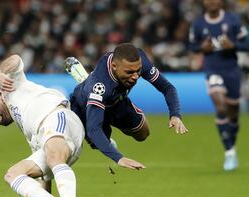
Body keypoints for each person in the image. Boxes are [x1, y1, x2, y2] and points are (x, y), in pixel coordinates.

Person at [0, 54, 85, 197]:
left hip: (57, 116)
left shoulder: (10, 89)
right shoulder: (28, 130)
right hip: (52, 137)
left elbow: (15, 59)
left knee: (53, 156)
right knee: (12, 174)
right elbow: (46, 176)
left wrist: (0, 73)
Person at [65, 43, 188, 168]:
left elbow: (168, 88)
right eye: (129, 72)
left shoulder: (139, 61)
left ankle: (86, 81)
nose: (135, 77)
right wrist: (119, 158)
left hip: (117, 101)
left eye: (138, 71)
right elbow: (94, 129)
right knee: (97, 140)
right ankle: (85, 84)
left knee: (143, 134)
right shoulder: (100, 85)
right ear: (114, 66)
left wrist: (175, 115)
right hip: (86, 104)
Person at [189, 0, 249, 171]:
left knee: (233, 116)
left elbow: (246, 43)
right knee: (220, 107)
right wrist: (202, 47)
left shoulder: (233, 20)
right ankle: (229, 153)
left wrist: (234, 46)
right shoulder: (198, 23)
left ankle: (231, 146)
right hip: (212, 70)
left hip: (232, 71)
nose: (212, 1)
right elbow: (192, 46)